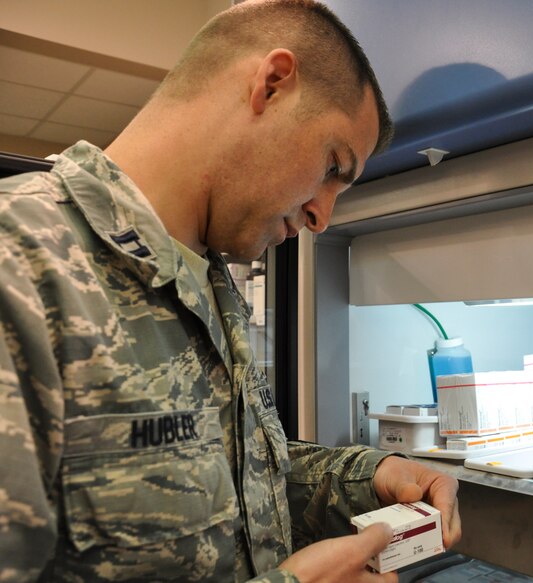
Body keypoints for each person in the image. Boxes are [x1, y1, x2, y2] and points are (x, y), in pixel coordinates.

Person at [0, 1, 461, 581]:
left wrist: (367, 476)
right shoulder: (21, 264)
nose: (322, 215)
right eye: (332, 165)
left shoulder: (210, 283)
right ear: (271, 85)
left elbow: (220, 486)